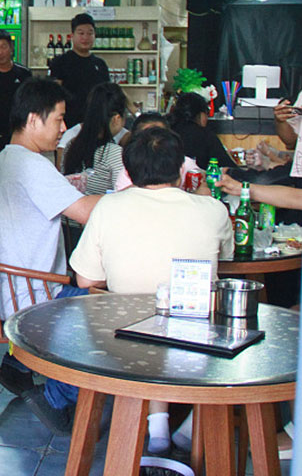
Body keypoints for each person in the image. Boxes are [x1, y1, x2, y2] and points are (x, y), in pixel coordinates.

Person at [71, 127, 233, 454]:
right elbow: (226, 258)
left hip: (122, 340)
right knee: (196, 315)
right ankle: (191, 425)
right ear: (181, 168)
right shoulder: (213, 209)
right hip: (195, 342)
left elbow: (85, 280)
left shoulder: (108, 207)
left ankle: (158, 426)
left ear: (129, 171)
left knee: (150, 318)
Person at [0, 78, 100, 435]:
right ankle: (57, 398)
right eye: (59, 119)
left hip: (1, 288)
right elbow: (85, 213)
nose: (63, 129)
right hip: (32, 297)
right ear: (33, 119)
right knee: (101, 304)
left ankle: (17, 366)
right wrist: (133, 195)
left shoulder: (1, 161)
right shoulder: (32, 165)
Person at [114, 112, 204, 193]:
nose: (153, 139)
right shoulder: (126, 171)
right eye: (146, 137)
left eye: (160, 136)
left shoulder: (186, 164)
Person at [48, 13, 109, 129]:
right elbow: (54, 95)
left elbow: (107, 93)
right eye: (81, 33)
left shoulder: (100, 64)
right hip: (68, 125)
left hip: (96, 124)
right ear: (72, 36)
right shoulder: (60, 62)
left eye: (90, 33)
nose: (85, 38)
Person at [167, 92, 235, 169]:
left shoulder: (167, 131)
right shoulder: (206, 136)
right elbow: (229, 168)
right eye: (207, 114)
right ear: (201, 114)